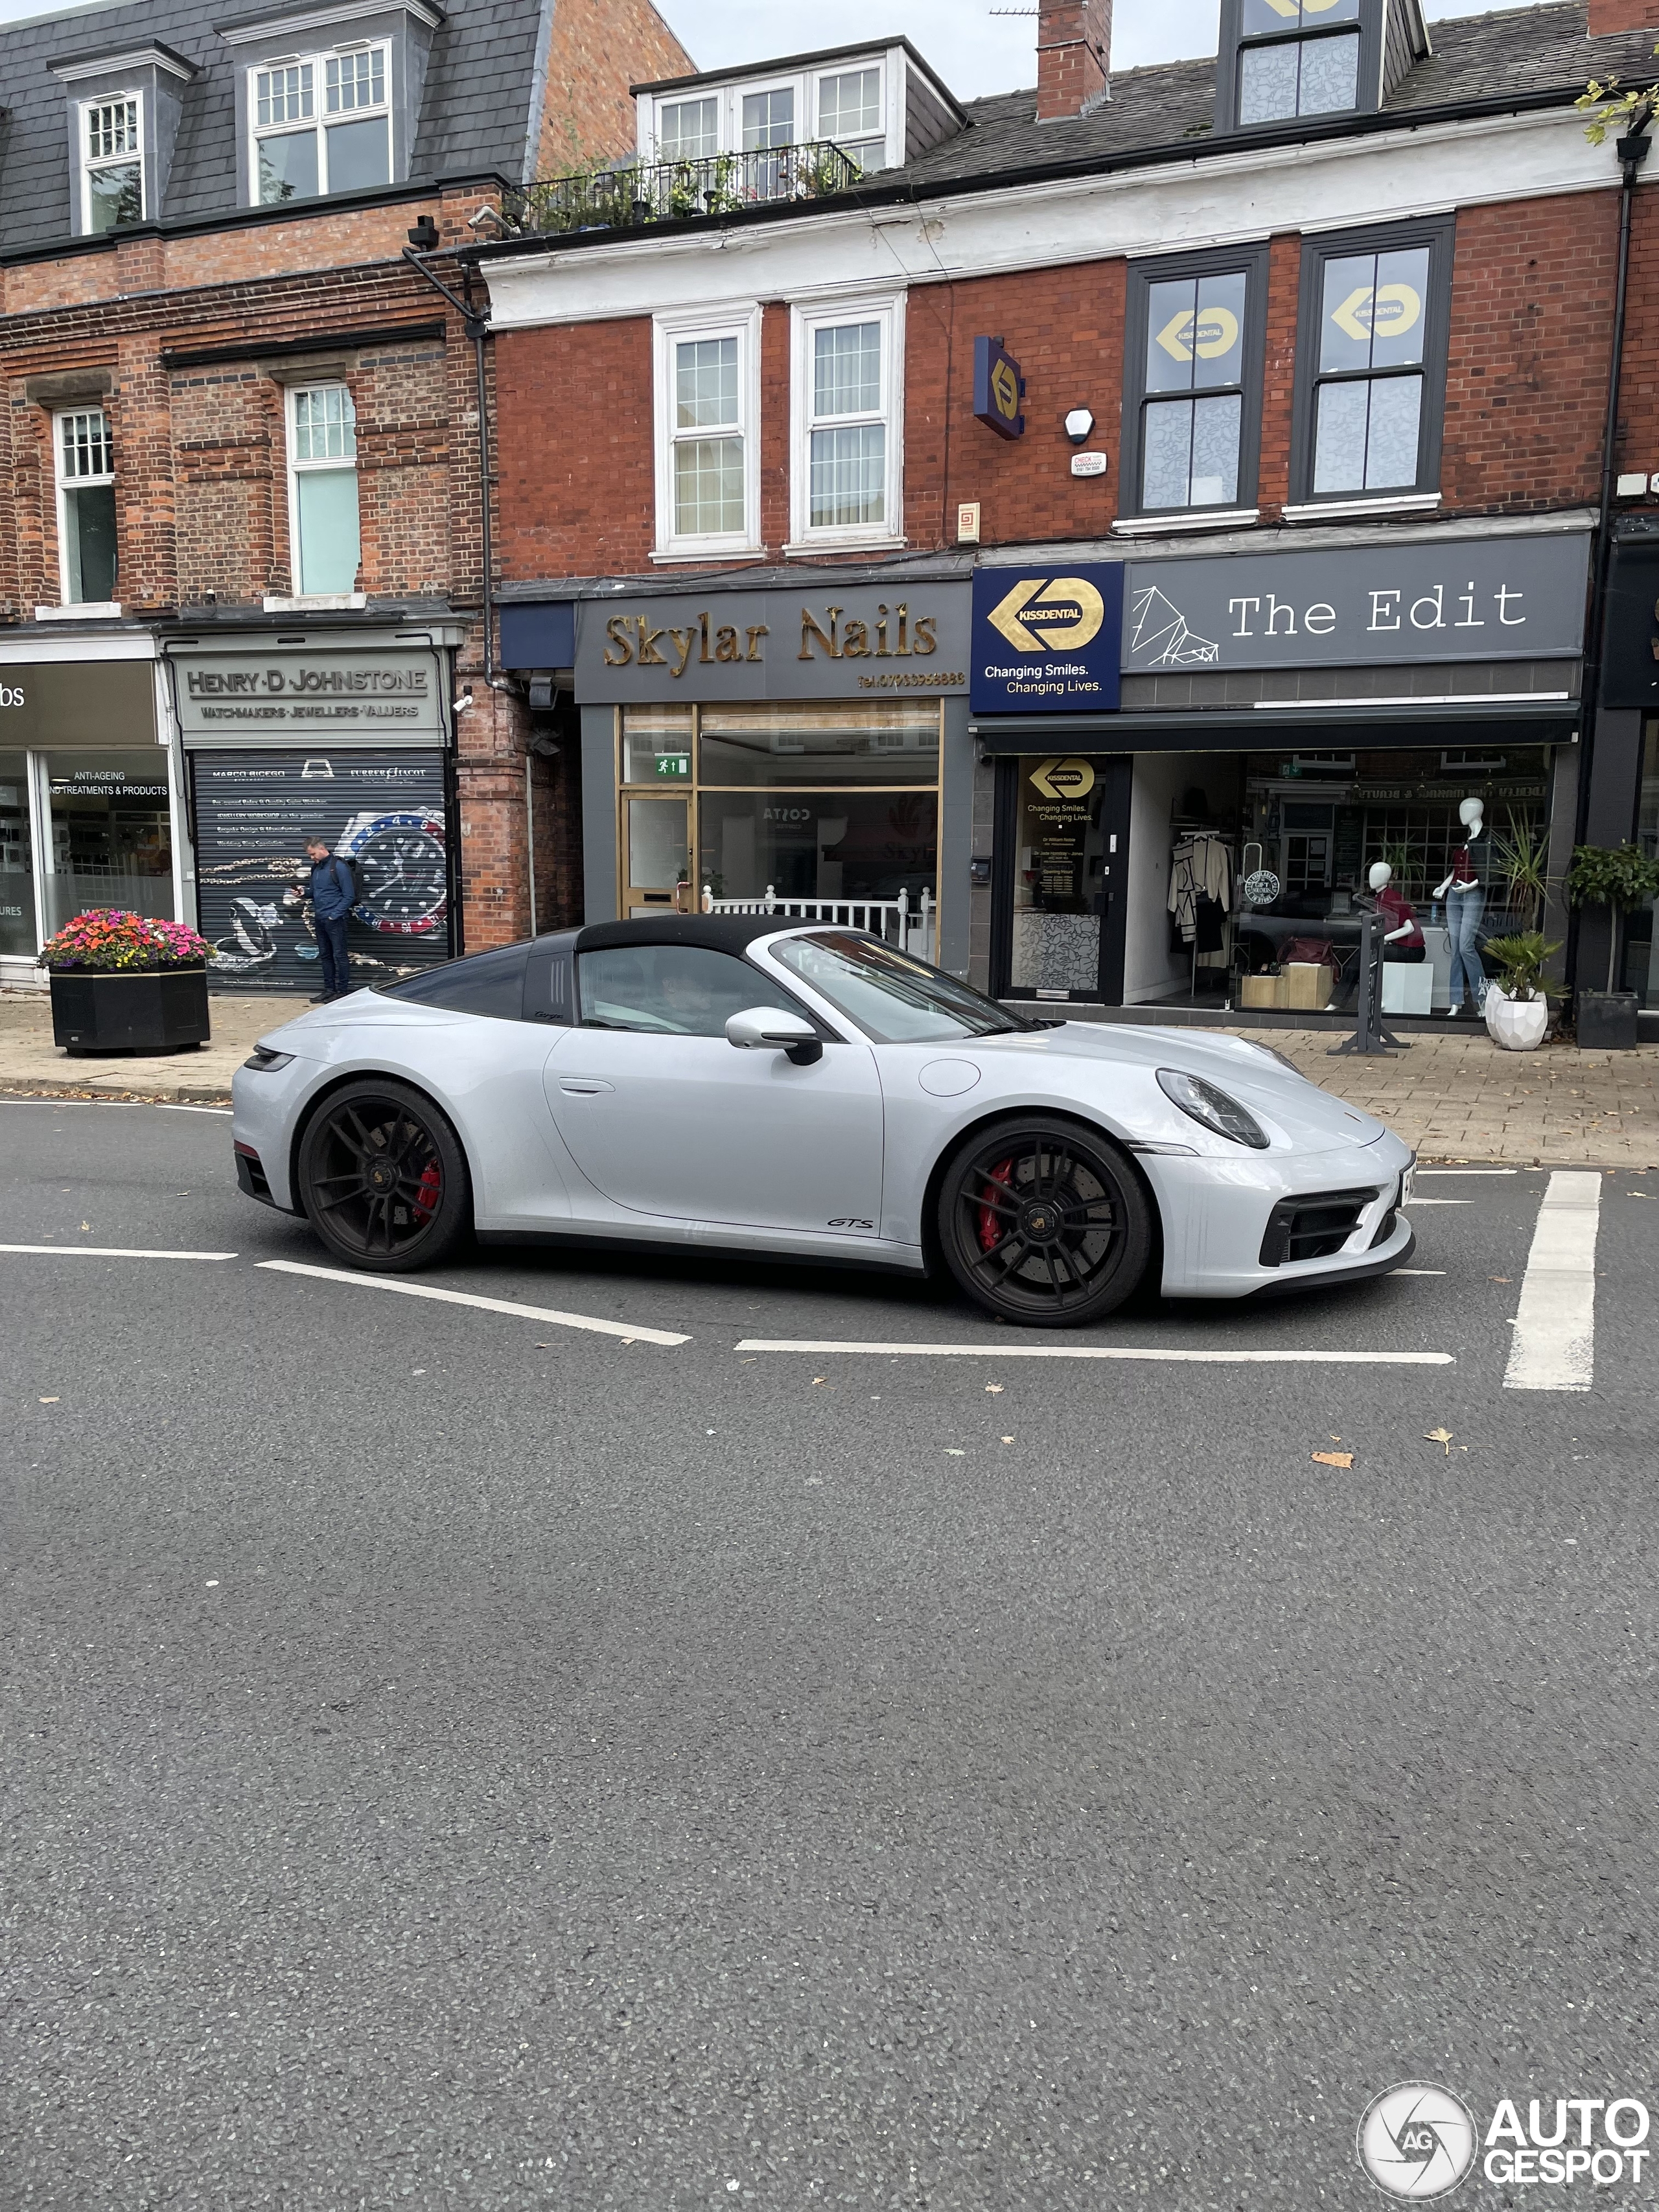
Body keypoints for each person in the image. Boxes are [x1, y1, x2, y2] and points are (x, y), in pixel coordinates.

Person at [298, 835, 356, 1003]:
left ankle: (342, 992)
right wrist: (304, 892)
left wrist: (334, 915)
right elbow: (317, 892)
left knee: (340, 955)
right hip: (320, 917)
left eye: (313, 854)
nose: (312, 858)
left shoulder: (338, 867)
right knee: (325, 955)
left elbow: (349, 896)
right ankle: (329, 990)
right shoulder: (315, 868)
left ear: (322, 849)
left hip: (335, 920)